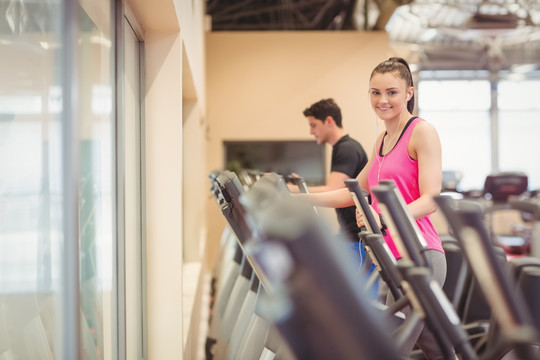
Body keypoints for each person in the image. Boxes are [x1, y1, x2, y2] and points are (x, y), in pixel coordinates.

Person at [298, 58, 453, 359]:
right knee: (436, 348)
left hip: (420, 256)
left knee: (384, 347)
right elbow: (351, 192)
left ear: (409, 92)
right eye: (375, 92)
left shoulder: (422, 131)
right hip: (387, 257)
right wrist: (298, 199)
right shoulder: (381, 140)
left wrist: (385, 217)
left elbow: (431, 197)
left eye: (392, 92)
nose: (382, 100)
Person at [289, 98, 369, 268]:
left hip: (357, 239)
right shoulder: (342, 147)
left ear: (329, 121)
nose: (311, 132)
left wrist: (295, 191)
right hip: (347, 235)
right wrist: (299, 187)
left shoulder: (346, 148)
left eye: (313, 125)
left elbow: (334, 188)